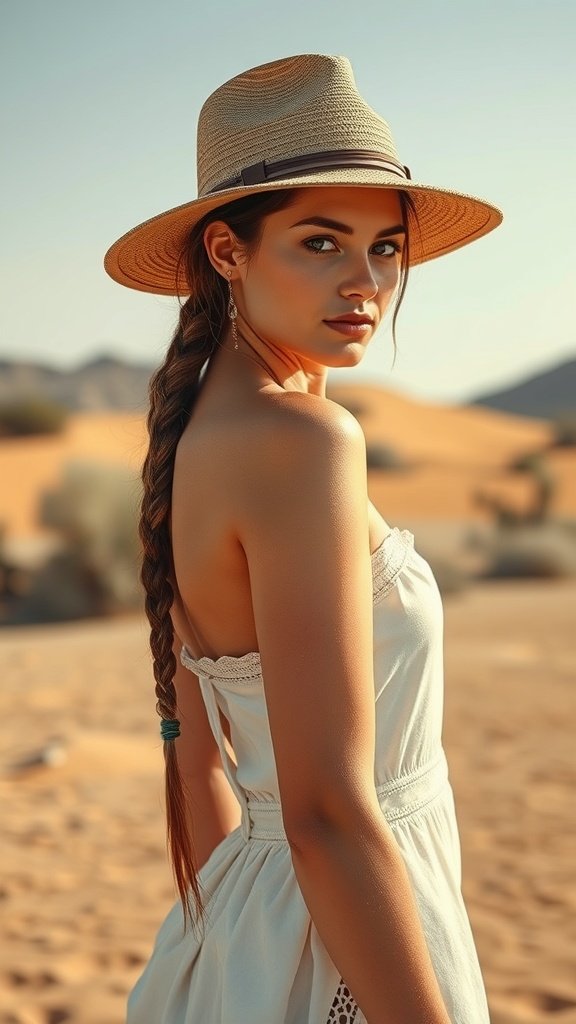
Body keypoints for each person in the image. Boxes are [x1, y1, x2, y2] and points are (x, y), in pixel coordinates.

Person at [105, 54, 502, 1024]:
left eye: (383, 248)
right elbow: (326, 811)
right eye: (321, 242)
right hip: (351, 934)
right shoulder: (304, 443)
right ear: (227, 252)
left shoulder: (196, 437)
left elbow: (199, 761)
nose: (363, 282)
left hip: (252, 931)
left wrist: (244, 955)